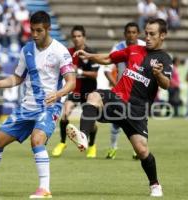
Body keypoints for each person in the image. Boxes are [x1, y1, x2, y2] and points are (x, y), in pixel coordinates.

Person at [0, 11, 76, 198]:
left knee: (37, 140)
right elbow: (17, 77)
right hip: (27, 107)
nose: (34, 34)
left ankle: (44, 188)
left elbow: (71, 82)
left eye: (38, 31)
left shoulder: (60, 52)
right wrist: (0, 83)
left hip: (49, 106)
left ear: (48, 29)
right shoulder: (27, 50)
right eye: (32, 30)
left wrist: (58, 94)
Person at [66, 18, 172, 197]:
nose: (147, 37)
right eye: (146, 33)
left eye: (152, 34)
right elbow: (108, 58)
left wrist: (159, 74)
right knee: (93, 96)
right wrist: (90, 56)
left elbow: (166, 84)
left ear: (163, 35)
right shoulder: (133, 50)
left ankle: (155, 184)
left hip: (136, 111)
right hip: (116, 99)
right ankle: (84, 135)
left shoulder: (164, 59)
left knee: (142, 150)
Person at [51, 25, 99, 158]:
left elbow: (95, 74)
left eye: (79, 36)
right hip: (75, 90)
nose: (77, 39)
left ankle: (92, 145)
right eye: (74, 37)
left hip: (89, 93)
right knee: (65, 114)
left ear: (84, 37)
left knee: (91, 123)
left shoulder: (90, 52)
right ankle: (62, 143)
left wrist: (79, 71)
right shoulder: (68, 52)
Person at [105, 22, 146, 160]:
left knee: (137, 122)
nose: (131, 35)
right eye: (128, 32)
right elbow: (106, 70)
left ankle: (137, 150)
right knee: (116, 121)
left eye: (134, 32)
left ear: (138, 33)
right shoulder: (118, 47)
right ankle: (113, 148)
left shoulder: (144, 47)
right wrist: (117, 84)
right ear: (125, 34)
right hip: (121, 92)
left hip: (137, 92)